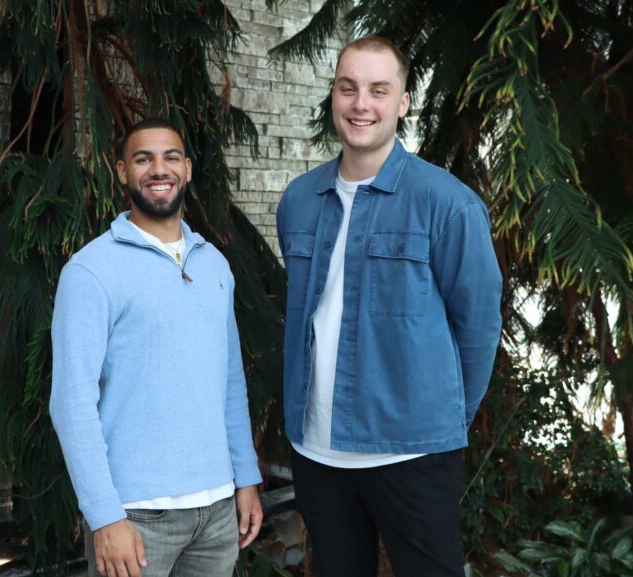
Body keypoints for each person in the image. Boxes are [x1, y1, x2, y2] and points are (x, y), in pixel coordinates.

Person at [276, 36, 503, 577]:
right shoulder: (299, 199)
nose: (362, 104)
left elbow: (478, 325)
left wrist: (444, 421)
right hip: (317, 452)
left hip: (414, 453)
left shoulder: (448, 205)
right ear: (332, 96)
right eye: (348, 88)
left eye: (379, 90)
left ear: (403, 103)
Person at [50, 118, 263, 577]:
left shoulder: (214, 265)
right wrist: (105, 515)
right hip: (136, 515)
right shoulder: (90, 272)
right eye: (143, 159)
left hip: (217, 509)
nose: (158, 169)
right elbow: (71, 403)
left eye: (170, 158)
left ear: (187, 170)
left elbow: (229, 380)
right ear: (122, 171)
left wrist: (245, 478)